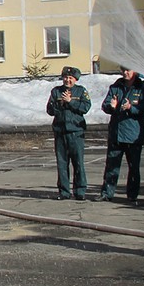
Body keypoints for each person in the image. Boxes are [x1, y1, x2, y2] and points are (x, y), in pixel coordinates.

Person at [99, 67, 144, 202]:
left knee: (134, 167)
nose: (125, 73)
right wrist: (111, 106)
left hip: (133, 134)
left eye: (128, 70)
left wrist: (131, 108)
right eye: (123, 70)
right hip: (116, 133)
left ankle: (132, 195)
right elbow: (105, 105)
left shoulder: (141, 88)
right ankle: (107, 193)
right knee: (111, 166)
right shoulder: (116, 86)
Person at [47, 65, 91, 201]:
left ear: (76, 79)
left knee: (78, 163)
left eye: (71, 78)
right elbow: (50, 110)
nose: (68, 80)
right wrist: (59, 104)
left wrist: (70, 102)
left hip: (76, 132)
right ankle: (64, 191)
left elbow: (85, 107)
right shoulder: (56, 91)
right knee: (62, 163)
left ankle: (80, 191)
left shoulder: (81, 91)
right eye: (65, 77)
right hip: (61, 132)